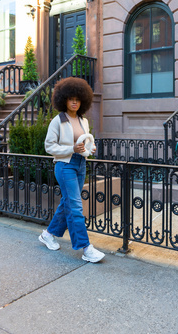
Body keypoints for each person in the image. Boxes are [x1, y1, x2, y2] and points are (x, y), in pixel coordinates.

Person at [40, 77, 105, 263]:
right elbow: (49, 146)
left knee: (67, 202)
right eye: (71, 99)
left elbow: (83, 142)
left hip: (80, 164)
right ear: (64, 99)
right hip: (64, 165)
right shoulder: (57, 121)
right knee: (75, 206)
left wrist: (89, 148)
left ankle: (48, 234)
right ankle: (86, 248)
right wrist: (71, 149)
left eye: (78, 98)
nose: (74, 102)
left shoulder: (83, 120)